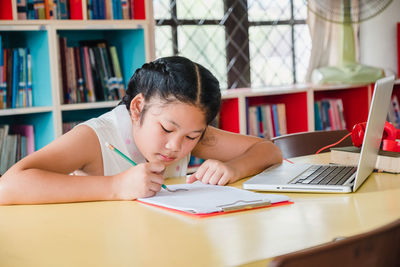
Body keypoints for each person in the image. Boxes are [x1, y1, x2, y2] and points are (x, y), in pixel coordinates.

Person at [0, 56, 282, 205]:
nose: (176, 146)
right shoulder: (97, 137)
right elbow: (8, 186)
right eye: (166, 129)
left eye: (192, 137)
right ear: (137, 108)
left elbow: (268, 150)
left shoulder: (189, 136)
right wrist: (115, 186)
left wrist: (233, 169)